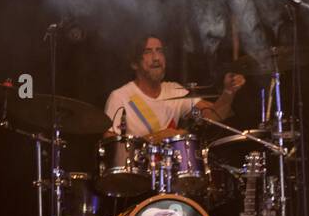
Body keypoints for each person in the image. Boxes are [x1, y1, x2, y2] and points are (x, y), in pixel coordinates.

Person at [104, 34, 245, 138]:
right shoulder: (120, 97)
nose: (156, 58)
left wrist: (228, 92)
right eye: (147, 52)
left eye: (159, 51)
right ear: (134, 64)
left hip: (171, 174)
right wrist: (157, 138)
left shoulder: (174, 91)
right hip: (137, 176)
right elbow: (109, 144)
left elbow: (214, 116)